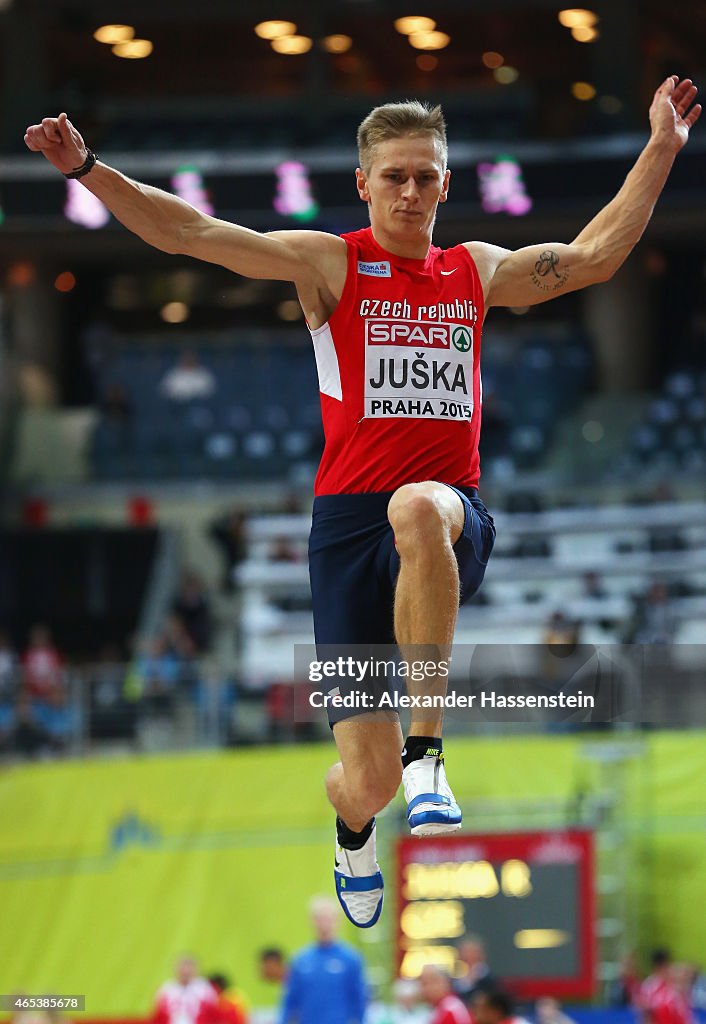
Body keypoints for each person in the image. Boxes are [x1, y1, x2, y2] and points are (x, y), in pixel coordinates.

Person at [24, 78, 701, 927]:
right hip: (346, 531)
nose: (411, 191)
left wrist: (662, 146)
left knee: (419, 509)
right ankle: (355, 829)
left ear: (447, 183)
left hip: (448, 512)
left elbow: (596, 256)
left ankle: (429, 753)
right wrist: (87, 168)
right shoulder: (329, 264)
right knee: (364, 783)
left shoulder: (475, 270)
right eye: (394, 177)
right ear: (364, 184)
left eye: (425, 175)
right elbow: (190, 232)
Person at [280, 896, 367, 1024]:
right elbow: (290, 1001)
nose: (324, 924)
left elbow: (359, 1000)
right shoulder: (300, 960)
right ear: (312, 921)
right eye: (320, 919)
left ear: (338, 921)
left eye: (328, 919)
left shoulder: (351, 959)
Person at [153, 955, 217, 1024]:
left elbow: (212, 1014)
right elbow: (159, 1015)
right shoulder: (166, 989)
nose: (185, 971)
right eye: (183, 968)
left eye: (189, 967)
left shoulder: (205, 989)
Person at [454, 937, 496, 1007]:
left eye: (472, 952)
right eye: (465, 952)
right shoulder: (456, 979)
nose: (468, 955)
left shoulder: (489, 979)